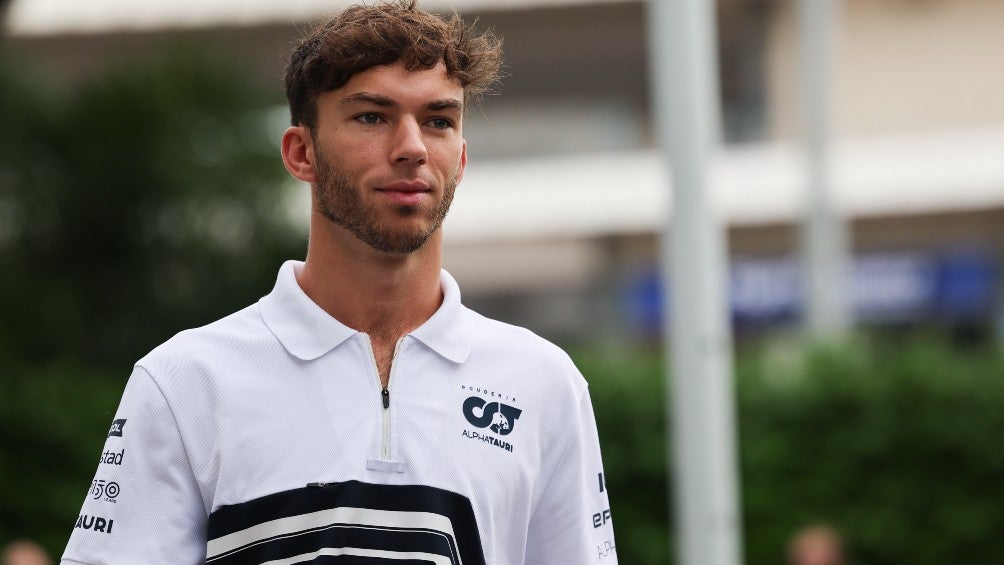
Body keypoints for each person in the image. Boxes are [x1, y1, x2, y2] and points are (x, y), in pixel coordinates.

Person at [60, 2, 618, 564]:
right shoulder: (184, 382)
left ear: (462, 158)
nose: (412, 147)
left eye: (438, 121)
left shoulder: (544, 384)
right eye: (372, 117)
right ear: (301, 153)